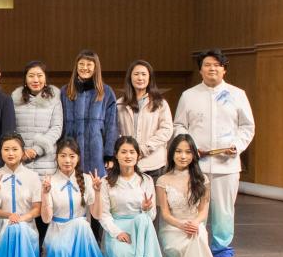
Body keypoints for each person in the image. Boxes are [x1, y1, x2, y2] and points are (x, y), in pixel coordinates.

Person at [173, 48, 255, 257]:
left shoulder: (237, 94)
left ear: (224, 69)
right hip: (196, 163)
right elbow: (179, 125)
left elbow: (247, 127)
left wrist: (236, 146)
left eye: (217, 65)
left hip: (227, 164)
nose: (212, 69)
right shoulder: (189, 95)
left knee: (224, 209)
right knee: (192, 206)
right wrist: (189, 147)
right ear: (200, 70)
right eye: (207, 65)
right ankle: (193, 246)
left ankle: (221, 250)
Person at [156, 134, 232, 257]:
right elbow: (165, 214)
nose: (183, 156)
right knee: (177, 248)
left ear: (194, 155)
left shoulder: (202, 179)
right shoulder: (162, 180)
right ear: (172, 153)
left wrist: (195, 223)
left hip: (194, 225)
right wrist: (181, 225)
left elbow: (203, 211)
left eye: (188, 152)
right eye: (178, 151)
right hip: (172, 228)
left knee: (198, 236)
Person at [40, 137, 114, 257]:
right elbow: (46, 219)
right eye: (63, 156)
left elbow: (97, 215)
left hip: (81, 233)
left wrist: (97, 192)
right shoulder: (50, 181)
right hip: (59, 229)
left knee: (80, 223)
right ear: (56, 157)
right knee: (61, 254)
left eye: (72, 156)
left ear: (78, 158)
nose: (67, 160)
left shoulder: (87, 179)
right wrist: (45, 194)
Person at [97, 136, 169, 257]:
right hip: (117, 227)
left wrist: (146, 209)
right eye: (123, 152)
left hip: (141, 228)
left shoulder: (146, 180)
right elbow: (104, 215)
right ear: (116, 155)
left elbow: (151, 216)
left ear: (138, 155)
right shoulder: (106, 182)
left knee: (143, 218)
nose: (128, 156)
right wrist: (117, 233)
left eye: (132, 152)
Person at [0, 133, 42, 257]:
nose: (10, 153)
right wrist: (9, 215)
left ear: (23, 151)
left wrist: (20, 219)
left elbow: (37, 209)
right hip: (3, 227)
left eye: (14, 149)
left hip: (27, 226)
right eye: (6, 149)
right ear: (1, 152)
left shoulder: (33, 176)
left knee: (19, 228)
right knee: (13, 229)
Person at [60, 49, 118, 177]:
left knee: (95, 186)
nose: (85, 68)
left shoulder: (106, 92)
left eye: (89, 64)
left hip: (97, 154)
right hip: (70, 153)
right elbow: (60, 124)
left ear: (95, 67)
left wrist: (109, 154)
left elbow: (111, 126)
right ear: (76, 66)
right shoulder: (65, 92)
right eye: (81, 64)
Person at [117, 59, 173, 180]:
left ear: (149, 78)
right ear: (130, 78)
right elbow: (115, 131)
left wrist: (144, 148)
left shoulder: (160, 103)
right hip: (127, 163)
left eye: (144, 74)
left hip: (154, 164)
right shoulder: (119, 104)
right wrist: (127, 151)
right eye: (136, 74)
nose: (140, 78)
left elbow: (166, 130)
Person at [12, 60, 63, 177]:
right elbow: (12, 130)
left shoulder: (55, 100)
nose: (35, 80)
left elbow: (56, 128)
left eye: (39, 75)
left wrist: (36, 150)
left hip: (46, 163)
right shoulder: (15, 101)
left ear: (45, 79)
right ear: (25, 79)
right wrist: (20, 153)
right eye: (31, 76)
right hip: (21, 160)